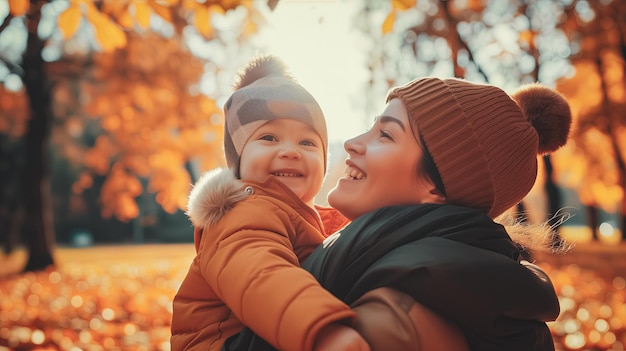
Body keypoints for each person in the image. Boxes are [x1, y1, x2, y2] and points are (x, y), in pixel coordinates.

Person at [223, 77, 572, 351]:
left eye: (385, 135)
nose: (352, 143)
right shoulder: (411, 273)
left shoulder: (384, 323)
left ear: (438, 187)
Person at [170, 55, 367, 351]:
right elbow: (262, 276)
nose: (290, 151)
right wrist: (322, 331)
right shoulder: (242, 213)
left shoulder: (322, 222)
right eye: (269, 137)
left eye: (307, 142)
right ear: (238, 160)